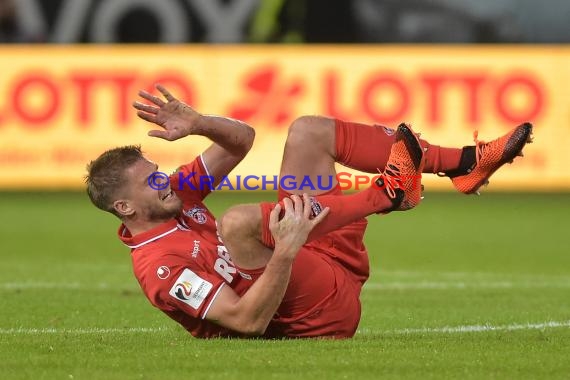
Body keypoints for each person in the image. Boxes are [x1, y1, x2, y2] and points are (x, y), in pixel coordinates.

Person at [85, 85, 533, 338]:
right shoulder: (160, 268)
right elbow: (247, 321)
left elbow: (241, 140)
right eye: (151, 180)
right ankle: (387, 195)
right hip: (312, 315)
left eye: (158, 171)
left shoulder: (175, 196)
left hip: (320, 256)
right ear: (125, 207)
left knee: (308, 132)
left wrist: (199, 124)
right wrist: (284, 251)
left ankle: (467, 164)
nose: (165, 180)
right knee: (238, 222)